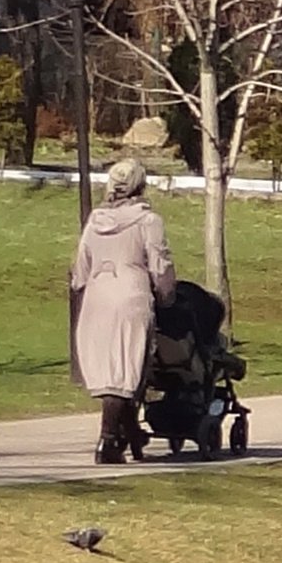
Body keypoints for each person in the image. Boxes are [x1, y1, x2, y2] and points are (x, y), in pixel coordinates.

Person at [69, 151, 176, 465]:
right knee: (128, 369)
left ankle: (126, 433)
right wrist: (167, 294)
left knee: (109, 371)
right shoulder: (148, 221)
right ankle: (109, 438)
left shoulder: (94, 221)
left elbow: (81, 268)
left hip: (98, 295)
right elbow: (160, 264)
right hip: (131, 294)